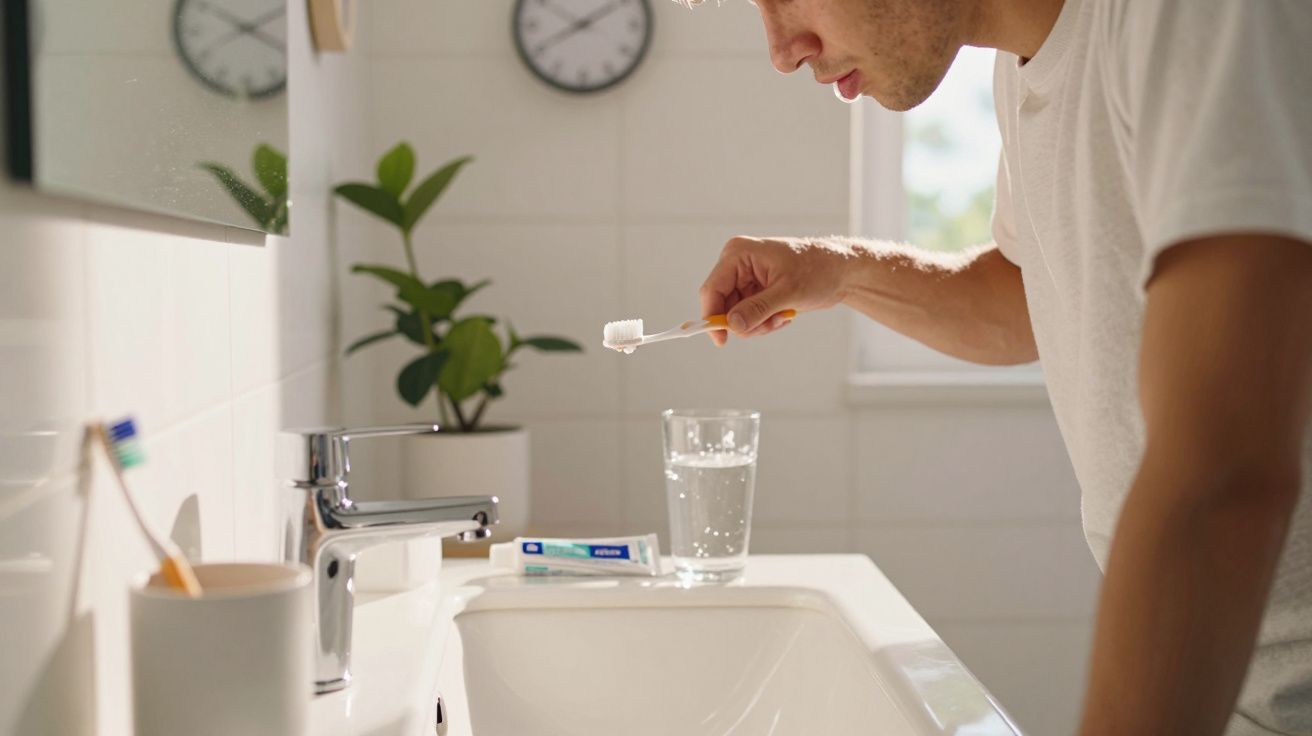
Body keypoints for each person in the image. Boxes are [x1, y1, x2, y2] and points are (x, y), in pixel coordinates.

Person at [684, 0, 1312, 733]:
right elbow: (1024, 295)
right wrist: (838, 270)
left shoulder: (1189, 16)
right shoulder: (1028, 69)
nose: (782, 49)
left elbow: (1222, 474)